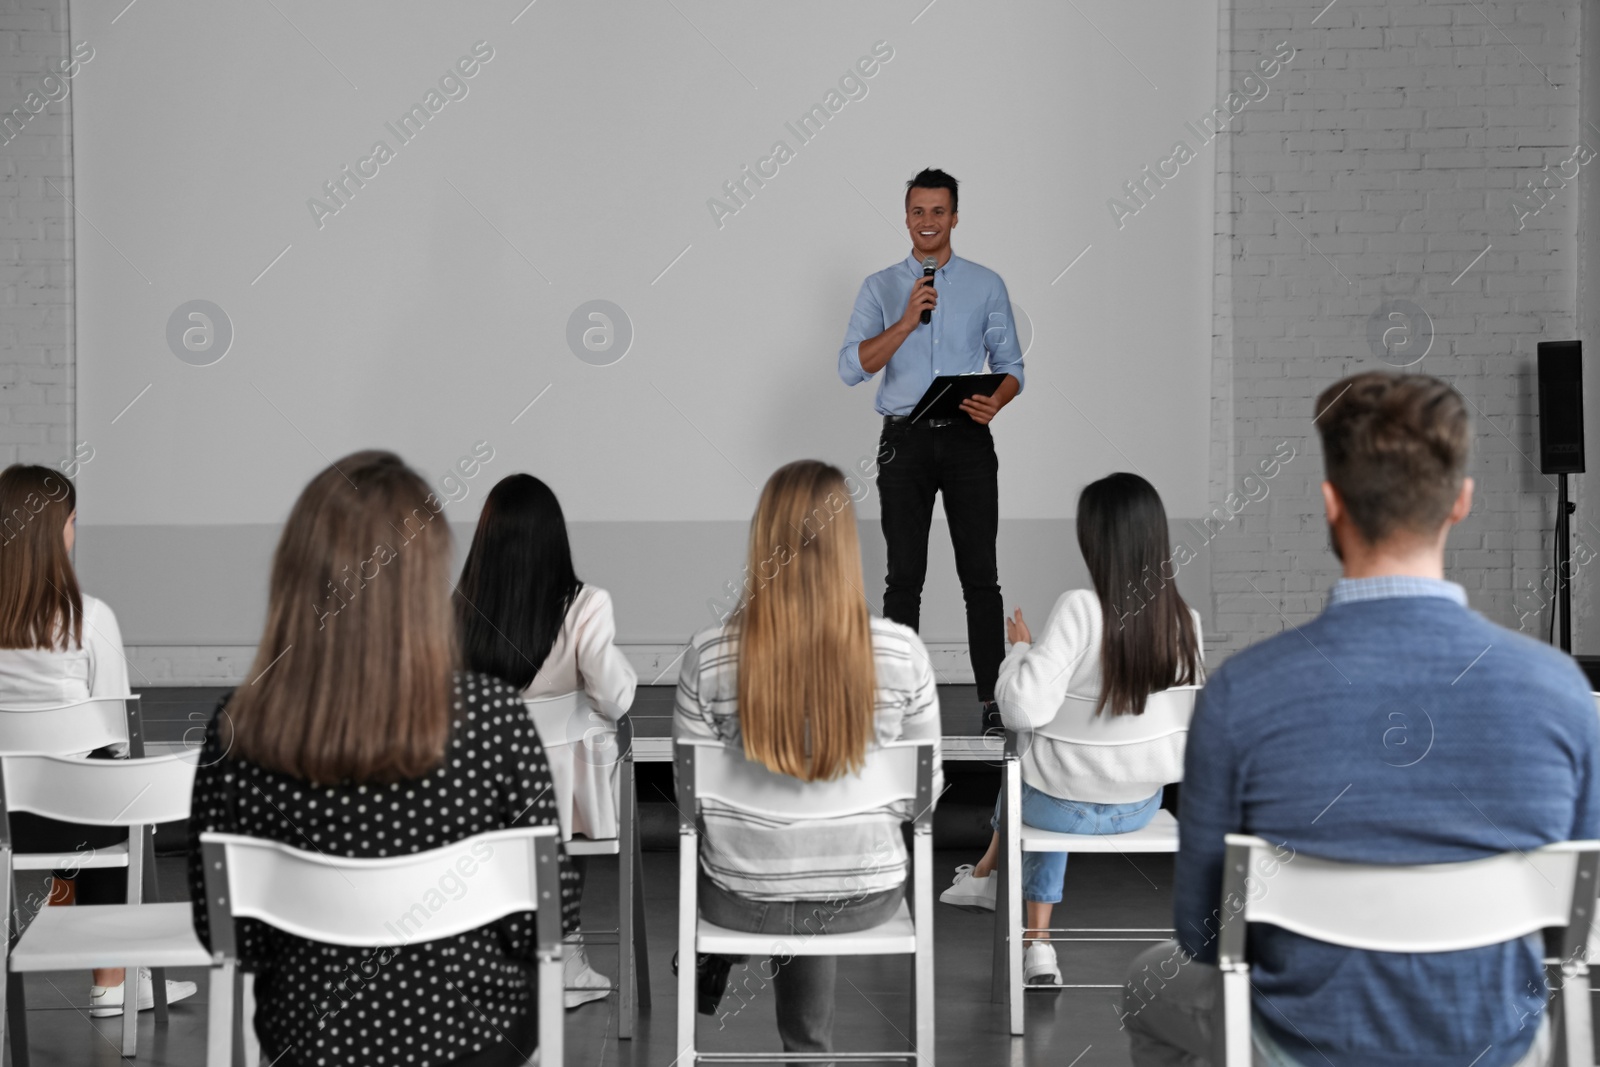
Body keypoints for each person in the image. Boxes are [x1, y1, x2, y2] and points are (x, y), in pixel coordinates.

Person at [1123, 372, 1600, 1067]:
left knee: (1146, 983)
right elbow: (1576, 928)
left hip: (1297, 1046)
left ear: (1330, 503)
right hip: (1496, 1046)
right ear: (1461, 502)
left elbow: (1202, 932)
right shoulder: (1561, 691)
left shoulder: (1242, 693)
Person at [185, 451, 579, 1067]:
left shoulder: (239, 726)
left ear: (297, 571)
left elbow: (227, 932)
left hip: (308, 1043)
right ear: (426, 579)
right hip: (474, 1042)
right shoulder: (495, 719)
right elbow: (553, 911)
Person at [674, 459, 943, 1059]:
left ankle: (719, 955)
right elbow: (923, 797)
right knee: (818, 864)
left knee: (769, 864)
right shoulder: (901, 652)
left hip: (740, 899)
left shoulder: (710, 655)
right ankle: (807, 1050)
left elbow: (693, 804)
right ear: (847, 542)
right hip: (863, 899)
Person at [939, 473, 1203, 987]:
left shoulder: (1080, 609)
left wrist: (1021, 651)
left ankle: (1021, 922)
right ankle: (988, 884)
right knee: (1051, 774)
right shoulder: (1185, 622)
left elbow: (1018, 709)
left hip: (1058, 806)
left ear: (1095, 539)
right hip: (1141, 804)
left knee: (1032, 772)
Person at [0, 463, 197, 1017]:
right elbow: (115, 728)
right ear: (55, 529)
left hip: (3, 813)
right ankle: (112, 983)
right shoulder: (88, 617)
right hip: (74, 813)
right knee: (110, 791)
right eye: (73, 521)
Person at [838, 167, 1024, 728]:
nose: (927, 222)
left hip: (968, 438)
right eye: (918, 211)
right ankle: (898, 705)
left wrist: (998, 400)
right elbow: (852, 366)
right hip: (904, 443)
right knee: (903, 578)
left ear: (955, 217)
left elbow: (1011, 367)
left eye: (938, 211)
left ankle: (993, 704)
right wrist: (905, 322)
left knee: (980, 578)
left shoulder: (987, 284)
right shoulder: (881, 286)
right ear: (906, 216)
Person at [455, 471, 637, 1009]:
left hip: (480, 791)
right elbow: (617, 697)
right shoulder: (586, 604)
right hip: (564, 795)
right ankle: (565, 962)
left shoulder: (457, 609)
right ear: (555, 537)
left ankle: (493, 966)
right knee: (573, 795)